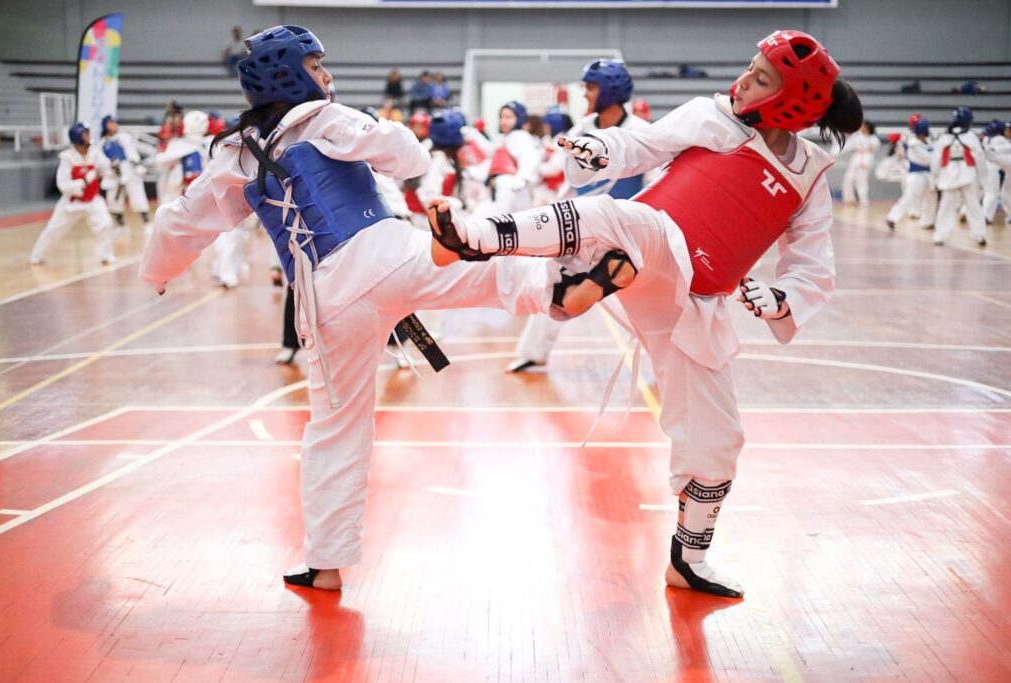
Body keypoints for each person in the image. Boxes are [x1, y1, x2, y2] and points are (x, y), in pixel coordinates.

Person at [139, 24, 631, 592]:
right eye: (317, 68)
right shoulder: (325, 118)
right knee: (475, 265)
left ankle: (325, 564)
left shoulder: (235, 152)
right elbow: (408, 157)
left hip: (324, 297)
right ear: (290, 75)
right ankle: (552, 290)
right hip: (386, 251)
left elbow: (182, 221)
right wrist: (375, 125)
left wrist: (157, 273)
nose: (327, 77)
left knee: (335, 427)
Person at [428, 29, 862, 599]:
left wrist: (780, 299)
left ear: (793, 100)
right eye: (750, 67)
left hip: (695, 302)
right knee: (625, 219)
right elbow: (644, 147)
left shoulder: (808, 177)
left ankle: (689, 561)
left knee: (718, 441)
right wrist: (602, 150)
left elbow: (813, 267)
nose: (743, 81)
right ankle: (473, 237)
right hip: (658, 239)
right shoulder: (714, 118)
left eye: (760, 77)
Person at [509, 59, 650, 374]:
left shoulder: (642, 133)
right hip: (581, 225)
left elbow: (657, 184)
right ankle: (534, 353)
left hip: (624, 233)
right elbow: (569, 179)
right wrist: (553, 217)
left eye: (590, 87)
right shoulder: (583, 129)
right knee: (554, 283)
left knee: (644, 304)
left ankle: (663, 365)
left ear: (610, 89)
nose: (585, 94)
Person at [30, 122, 115, 266]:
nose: (89, 137)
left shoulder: (95, 152)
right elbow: (62, 185)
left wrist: (113, 167)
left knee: (105, 224)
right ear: (78, 137)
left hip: (92, 199)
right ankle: (37, 255)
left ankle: (105, 256)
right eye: (86, 134)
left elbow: (105, 169)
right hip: (71, 202)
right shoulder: (67, 157)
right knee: (53, 228)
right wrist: (83, 183)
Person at [931, 106, 988, 246]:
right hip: (968, 175)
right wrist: (983, 179)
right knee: (973, 206)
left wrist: (935, 177)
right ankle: (979, 235)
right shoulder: (971, 136)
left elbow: (935, 159)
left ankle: (940, 236)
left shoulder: (944, 136)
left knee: (945, 207)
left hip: (947, 176)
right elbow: (980, 158)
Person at [98, 115, 151, 230]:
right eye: (110, 123)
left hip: (128, 169)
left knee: (137, 195)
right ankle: (121, 226)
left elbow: (131, 152)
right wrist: (110, 167)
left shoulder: (123, 137)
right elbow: (101, 160)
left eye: (114, 122)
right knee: (113, 199)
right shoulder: (101, 143)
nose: (113, 125)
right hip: (112, 173)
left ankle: (146, 223)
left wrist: (136, 165)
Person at [885, 118, 936, 231]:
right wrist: (936, 155)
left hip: (928, 174)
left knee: (930, 198)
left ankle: (928, 221)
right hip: (916, 175)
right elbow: (928, 158)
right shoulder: (913, 143)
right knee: (909, 197)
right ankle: (892, 218)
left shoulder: (928, 142)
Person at [838, 120, 880, 206]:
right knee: (848, 178)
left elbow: (874, 149)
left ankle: (863, 200)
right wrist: (835, 152)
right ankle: (848, 198)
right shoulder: (856, 137)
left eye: (864, 126)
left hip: (866, 159)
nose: (862, 128)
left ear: (868, 128)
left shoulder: (873, 139)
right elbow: (847, 146)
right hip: (856, 159)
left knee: (862, 180)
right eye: (862, 126)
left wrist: (866, 159)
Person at [981, 119, 1010, 224]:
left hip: (992, 166)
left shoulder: (988, 139)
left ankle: (986, 216)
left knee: (994, 193)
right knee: (997, 193)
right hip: (995, 167)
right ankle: (986, 217)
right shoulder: (998, 139)